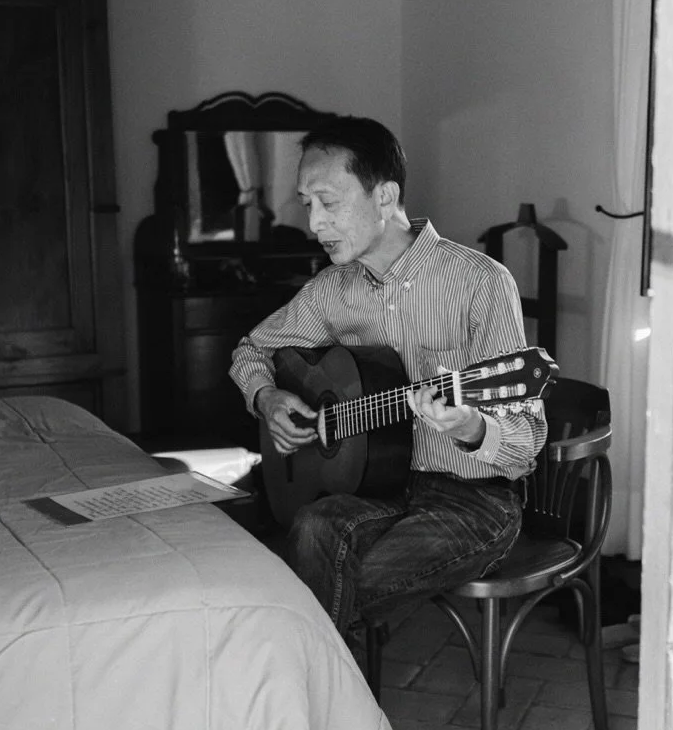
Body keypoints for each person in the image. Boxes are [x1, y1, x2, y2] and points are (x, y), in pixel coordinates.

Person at [229, 114, 546, 640]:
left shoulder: (480, 283)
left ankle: (311, 703)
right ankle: (331, 703)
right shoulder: (332, 290)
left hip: (472, 501)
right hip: (376, 489)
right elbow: (251, 351)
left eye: (328, 202)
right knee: (312, 532)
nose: (314, 224)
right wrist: (266, 397)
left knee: (309, 585)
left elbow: (526, 441)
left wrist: (471, 427)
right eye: (308, 204)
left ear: (384, 195)